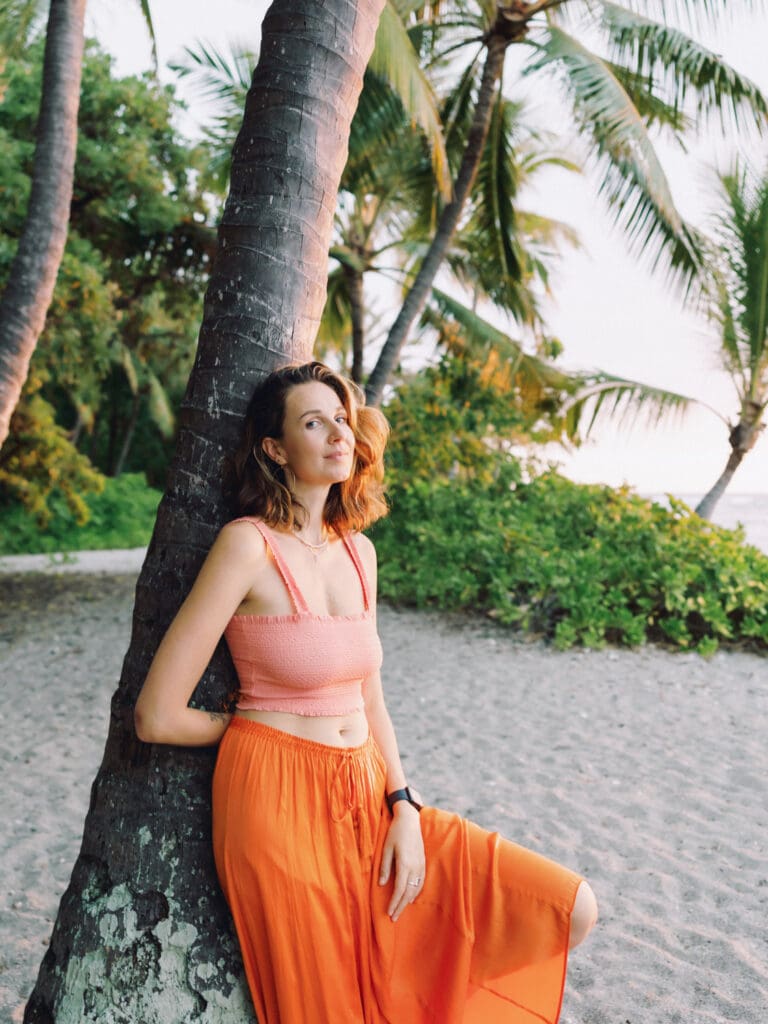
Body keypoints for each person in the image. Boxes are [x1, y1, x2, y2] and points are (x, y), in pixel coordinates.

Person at [134, 360, 597, 1024]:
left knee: (567, 907)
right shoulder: (246, 546)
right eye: (312, 422)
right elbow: (156, 715)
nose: (336, 434)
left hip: (368, 797)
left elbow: (370, 694)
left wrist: (403, 804)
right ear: (274, 448)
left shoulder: (360, 553)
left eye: (342, 420)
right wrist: (254, 728)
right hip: (275, 805)